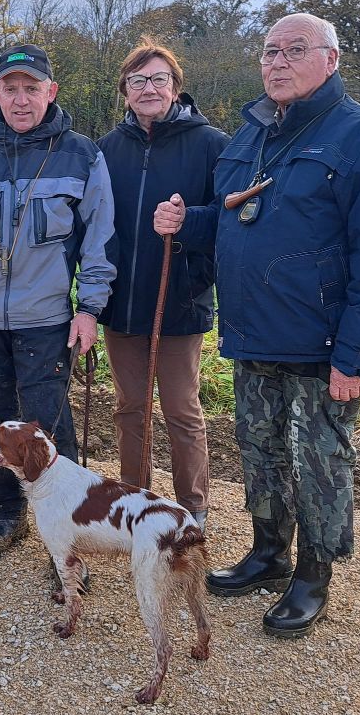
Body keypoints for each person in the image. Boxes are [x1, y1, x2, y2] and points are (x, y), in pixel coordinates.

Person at [154, 13, 360, 637]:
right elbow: (233, 221)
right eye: (270, 51)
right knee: (261, 454)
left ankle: (312, 576)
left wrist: (356, 356)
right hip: (255, 337)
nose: (277, 62)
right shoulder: (252, 138)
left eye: (294, 51)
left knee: (319, 464)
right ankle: (269, 553)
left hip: (321, 345)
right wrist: (187, 223)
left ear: (330, 60)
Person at [0, 44, 116, 557]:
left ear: (51, 92)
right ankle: (5, 514)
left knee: (49, 424)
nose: (21, 99)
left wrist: (89, 308)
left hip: (48, 320)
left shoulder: (82, 156)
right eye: (11, 88)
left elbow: (99, 240)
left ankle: (72, 529)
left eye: (32, 88)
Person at [96, 39, 228, 528]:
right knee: (130, 408)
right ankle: (136, 499)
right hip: (122, 305)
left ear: (175, 87)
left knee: (181, 409)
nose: (148, 88)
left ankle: (193, 508)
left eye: (158, 80)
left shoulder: (212, 144)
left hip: (179, 300)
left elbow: (231, 220)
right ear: (125, 92)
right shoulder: (107, 149)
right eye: (137, 81)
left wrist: (187, 220)